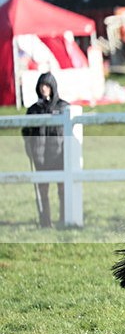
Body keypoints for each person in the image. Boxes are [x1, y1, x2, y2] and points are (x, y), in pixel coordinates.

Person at [22, 72, 69, 227]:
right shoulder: (33, 110)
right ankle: (45, 221)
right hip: (40, 156)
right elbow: (26, 131)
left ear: (52, 87)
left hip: (59, 156)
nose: (44, 88)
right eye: (41, 85)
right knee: (43, 190)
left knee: (63, 189)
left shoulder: (63, 107)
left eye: (47, 85)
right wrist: (30, 148)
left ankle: (64, 218)